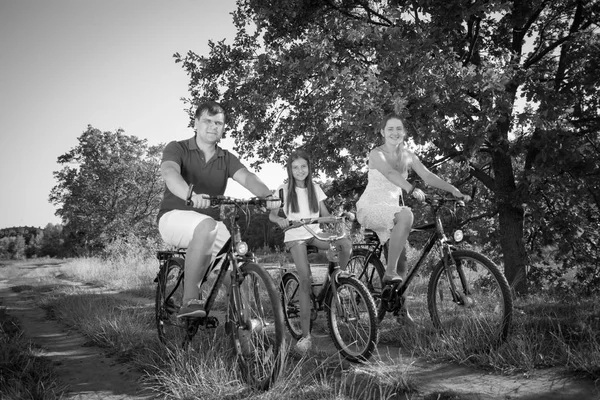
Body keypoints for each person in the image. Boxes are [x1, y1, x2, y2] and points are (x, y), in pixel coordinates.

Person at [157, 100, 278, 318]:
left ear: (223, 128)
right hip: (174, 218)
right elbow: (170, 173)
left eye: (219, 123)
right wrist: (190, 195)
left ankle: (244, 331)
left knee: (239, 265)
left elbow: (248, 177)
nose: (213, 127)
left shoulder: (225, 157)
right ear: (195, 123)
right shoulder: (177, 148)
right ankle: (190, 299)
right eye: (208, 121)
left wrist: (268, 195)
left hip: (211, 226)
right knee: (208, 226)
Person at [356, 113, 470, 319]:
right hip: (372, 207)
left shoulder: (407, 155)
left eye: (398, 128)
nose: (394, 132)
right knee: (407, 215)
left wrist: (453, 190)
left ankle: (401, 311)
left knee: (403, 263)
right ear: (382, 132)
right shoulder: (376, 153)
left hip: (392, 211)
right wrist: (411, 189)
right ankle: (389, 274)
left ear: (404, 133)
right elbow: (390, 174)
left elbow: (427, 175)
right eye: (390, 129)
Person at [270, 149, 352, 354]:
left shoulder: (315, 188)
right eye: (295, 167)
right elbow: (272, 215)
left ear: (309, 168)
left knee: (345, 244)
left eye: (303, 166)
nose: (300, 170)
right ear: (290, 169)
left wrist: (337, 218)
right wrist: (280, 219)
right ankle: (306, 336)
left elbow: (324, 213)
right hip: (295, 234)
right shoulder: (283, 189)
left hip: (314, 231)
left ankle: (339, 282)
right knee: (305, 280)